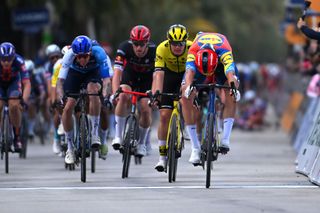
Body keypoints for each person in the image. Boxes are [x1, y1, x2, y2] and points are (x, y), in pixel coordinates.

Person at [180, 32, 240, 165]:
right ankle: (195, 148)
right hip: (200, 68)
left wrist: (233, 87)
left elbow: (230, 73)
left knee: (230, 91)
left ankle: (225, 139)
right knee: (185, 95)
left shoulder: (224, 51)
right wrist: (189, 89)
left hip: (220, 67)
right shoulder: (193, 51)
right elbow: (189, 73)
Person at [57, 35, 112, 164]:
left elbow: (107, 80)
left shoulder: (99, 52)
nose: (82, 59)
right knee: (68, 107)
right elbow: (60, 82)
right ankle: (70, 148)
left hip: (93, 73)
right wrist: (61, 98)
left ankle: (94, 134)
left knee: (93, 91)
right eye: (79, 57)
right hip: (74, 74)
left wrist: (104, 95)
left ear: (90, 53)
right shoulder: (69, 54)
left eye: (85, 56)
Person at [151, 24, 192, 172]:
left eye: (180, 44)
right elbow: (158, 74)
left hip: (186, 76)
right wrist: (157, 93)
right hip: (168, 76)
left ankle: (187, 124)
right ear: (169, 42)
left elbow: (193, 74)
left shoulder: (192, 47)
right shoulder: (162, 48)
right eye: (174, 43)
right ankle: (162, 157)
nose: (177, 47)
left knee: (186, 98)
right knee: (163, 116)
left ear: (185, 42)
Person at [111, 25, 156, 157]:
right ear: (131, 42)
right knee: (123, 95)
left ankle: (142, 143)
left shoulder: (155, 51)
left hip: (147, 79)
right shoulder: (124, 47)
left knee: (145, 108)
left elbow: (157, 76)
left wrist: (154, 95)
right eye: (136, 44)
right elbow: (117, 73)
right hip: (130, 76)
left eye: (142, 44)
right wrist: (115, 93)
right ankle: (118, 136)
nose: (139, 48)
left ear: (147, 42)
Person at [0, 42, 31, 152]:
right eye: (3, 60)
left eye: (9, 59)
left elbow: (27, 83)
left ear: (14, 57)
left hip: (13, 83)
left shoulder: (19, 61)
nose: (6, 62)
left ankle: (17, 136)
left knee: (14, 105)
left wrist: (24, 101)